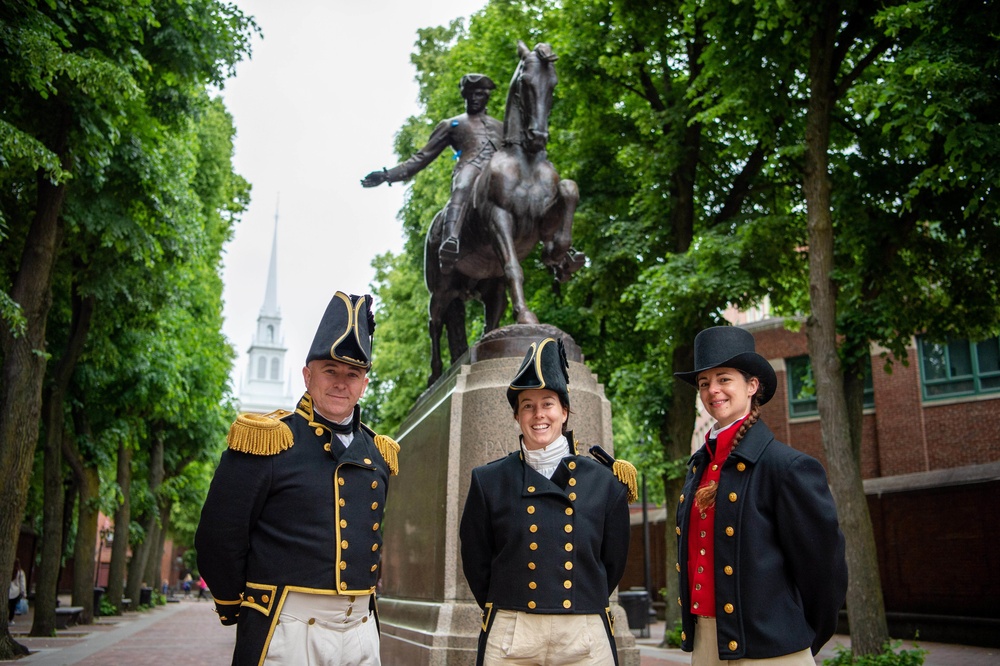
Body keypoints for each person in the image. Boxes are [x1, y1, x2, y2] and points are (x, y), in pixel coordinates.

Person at [196, 291, 400, 666]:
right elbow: (219, 536)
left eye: (353, 374)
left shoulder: (378, 453)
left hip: (361, 630)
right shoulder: (268, 440)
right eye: (330, 371)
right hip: (287, 629)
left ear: (364, 384)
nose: (342, 383)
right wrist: (238, 605)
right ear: (307, 375)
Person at [672, 326, 848, 665]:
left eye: (724, 379)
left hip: (773, 649)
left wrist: (795, 636)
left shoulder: (788, 467)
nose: (713, 391)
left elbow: (825, 571)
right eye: (704, 383)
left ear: (752, 386)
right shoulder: (700, 466)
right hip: (707, 644)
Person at [459, 337, 637, 665]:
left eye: (548, 403)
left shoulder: (605, 483)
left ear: (565, 411)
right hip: (512, 629)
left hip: (584, 629)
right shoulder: (488, 481)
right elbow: (476, 561)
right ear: (517, 415)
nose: (538, 414)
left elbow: (612, 564)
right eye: (527, 405)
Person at [361, 73, 503, 273]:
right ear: (464, 96)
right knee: (463, 185)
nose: (475, 98)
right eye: (471, 94)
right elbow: (421, 158)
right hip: (470, 167)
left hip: (498, 177)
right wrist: (386, 175)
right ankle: (450, 240)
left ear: (487, 96)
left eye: (480, 94)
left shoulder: (501, 127)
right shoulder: (452, 124)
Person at [8, 559, 26, 624]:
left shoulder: (7, 570)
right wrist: (23, 593)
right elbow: (22, 584)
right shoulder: (20, 572)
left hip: (7, 591)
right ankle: (10, 620)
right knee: (12, 607)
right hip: (15, 592)